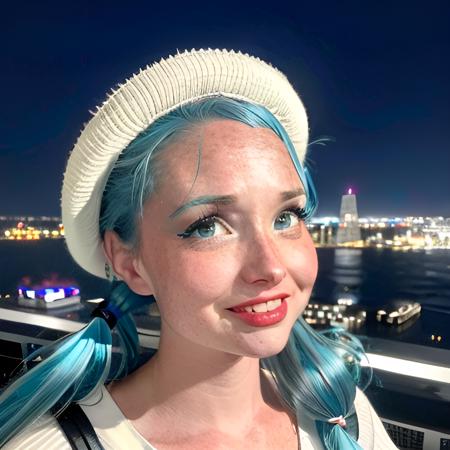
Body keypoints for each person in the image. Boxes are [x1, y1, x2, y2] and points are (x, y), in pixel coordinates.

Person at [0, 49, 398, 449]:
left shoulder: (345, 415)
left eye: (286, 217)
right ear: (129, 262)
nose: (271, 266)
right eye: (208, 227)